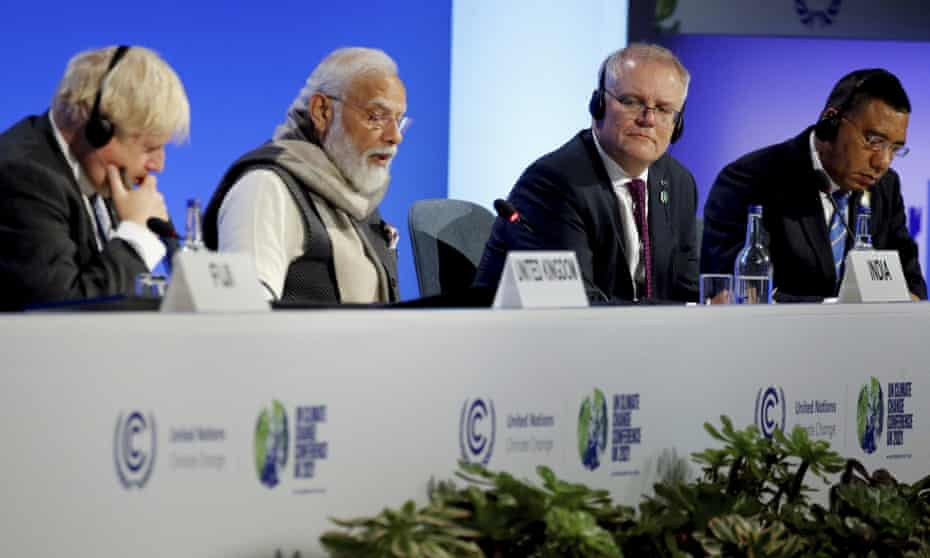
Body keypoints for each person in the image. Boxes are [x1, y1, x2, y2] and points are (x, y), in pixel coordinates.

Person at [473, 43, 699, 303]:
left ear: (677, 124)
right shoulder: (554, 184)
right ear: (598, 104)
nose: (648, 119)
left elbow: (687, 291)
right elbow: (577, 305)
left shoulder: (678, 182)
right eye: (632, 102)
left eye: (662, 109)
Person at [702, 68, 927, 300]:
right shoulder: (750, 180)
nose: (883, 162)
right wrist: (837, 312)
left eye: (895, 149)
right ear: (830, 122)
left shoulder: (885, 188)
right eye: (874, 141)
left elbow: (912, 284)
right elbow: (739, 293)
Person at [203, 47, 405, 304]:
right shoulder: (265, 188)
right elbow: (245, 316)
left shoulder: (355, 198)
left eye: (399, 121)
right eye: (376, 117)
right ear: (322, 111)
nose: (395, 136)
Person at [0, 45, 190, 311]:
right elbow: (65, 314)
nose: (158, 166)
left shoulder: (100, 175)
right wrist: (135, 235)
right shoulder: (22, 177)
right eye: (149, 148)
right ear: (98, 130)